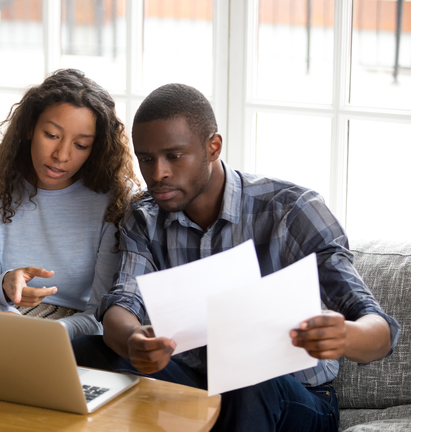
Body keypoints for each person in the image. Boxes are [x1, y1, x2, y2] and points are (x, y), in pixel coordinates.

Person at [72, 83, 401, 431]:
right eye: (147, 158)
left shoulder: (292, 211)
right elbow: (123, 304)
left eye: (174, 156)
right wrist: (133, 341)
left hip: (293, 398)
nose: (158, 174)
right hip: (199, 387)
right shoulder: (144, 217)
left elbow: (379, 330)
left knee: (246, 371)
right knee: (85, 351)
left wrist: (346, 335)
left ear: (213, 147)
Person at [0, 68, 139, 340]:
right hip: (2, 318)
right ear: (29, 129)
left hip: (76, 332)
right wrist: (5, 284)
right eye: (51, 135)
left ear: (96, 149)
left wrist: (49, 334)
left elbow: (101, 315)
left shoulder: (114, 196)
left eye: (81, 145)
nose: (61, 155)